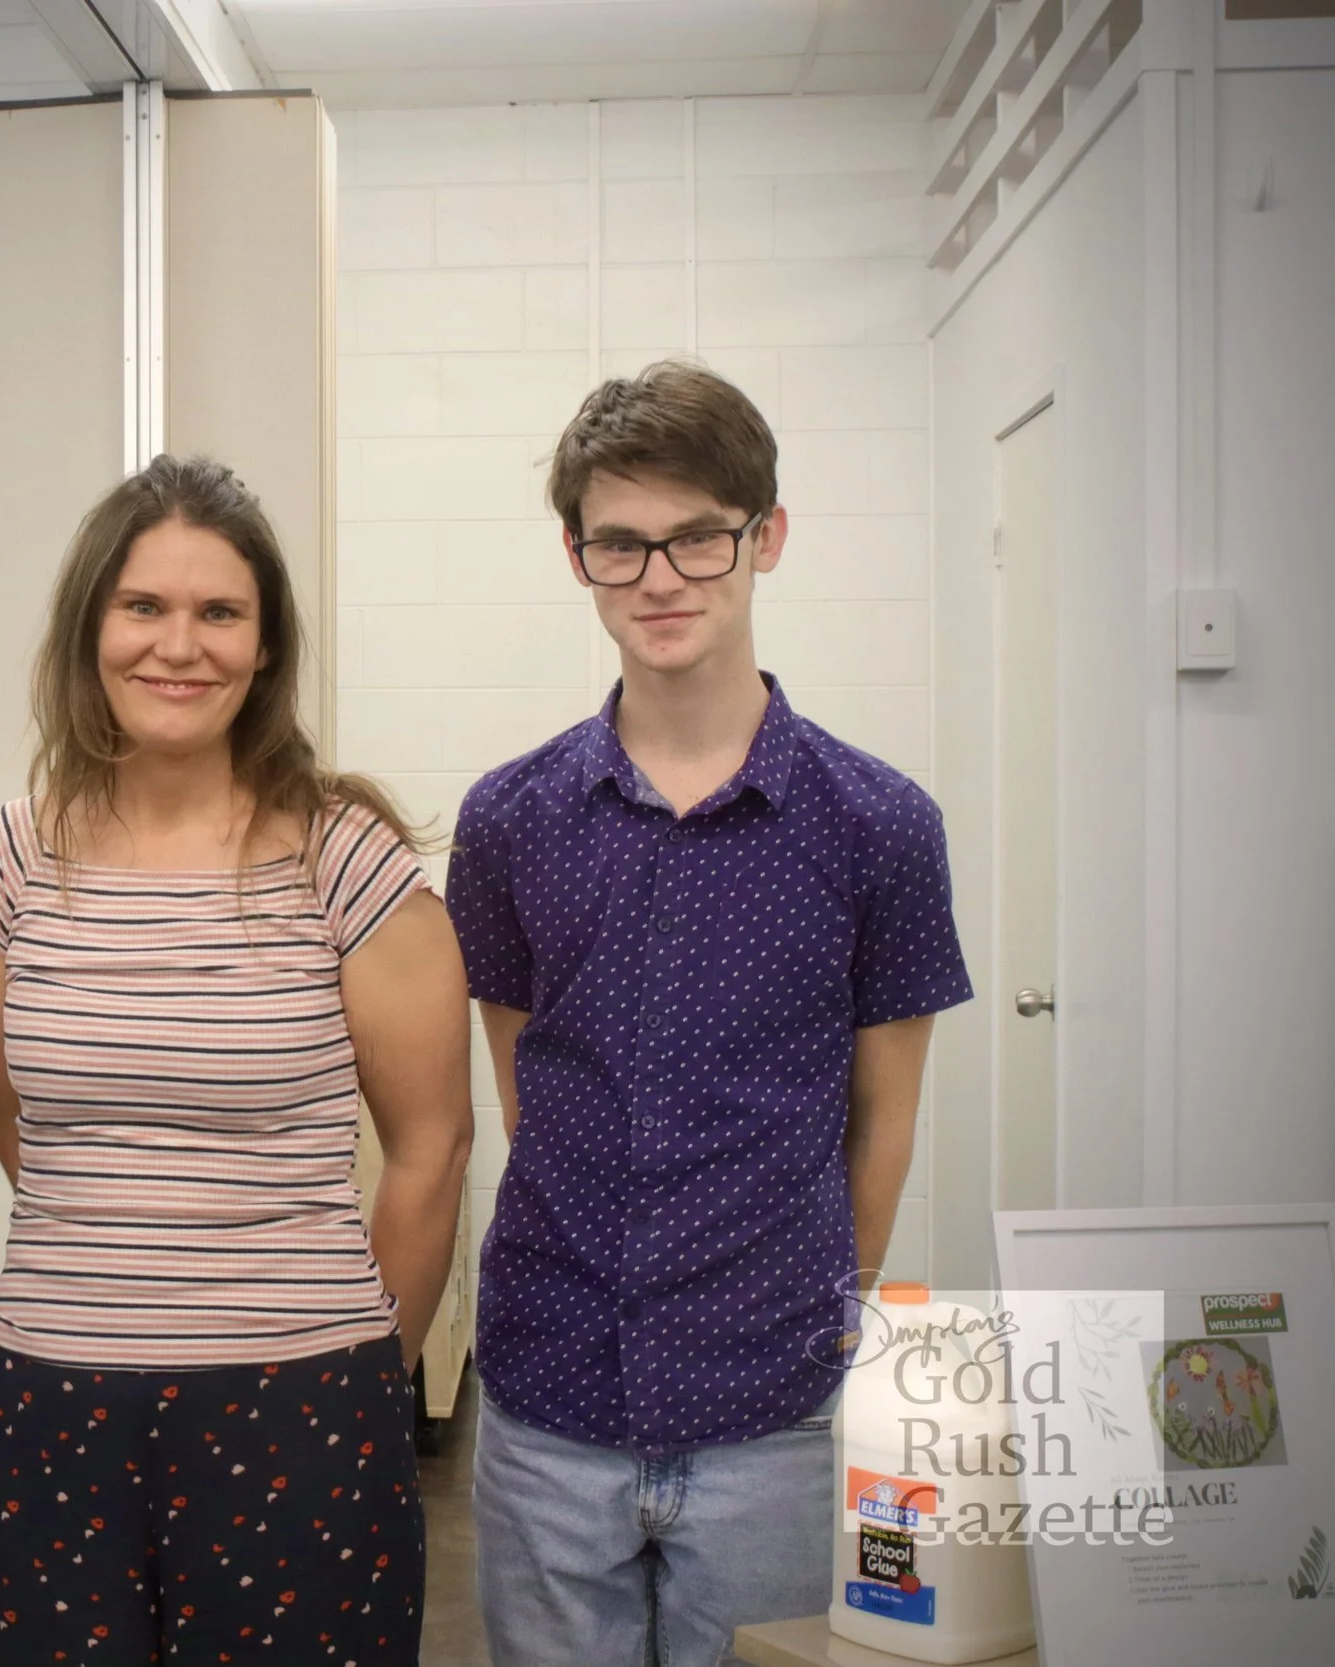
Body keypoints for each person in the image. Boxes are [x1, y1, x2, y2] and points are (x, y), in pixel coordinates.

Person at [448, 361, 973, 1667]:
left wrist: (812, 1307)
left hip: (770, 1409)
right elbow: (529, 1090)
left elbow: (885, 1119)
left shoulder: (881, 825)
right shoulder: (509, 819)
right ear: (577, 555)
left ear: (766, 537)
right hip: (549, 1394)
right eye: (620, 542)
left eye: (698, 534)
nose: (661, 574)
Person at [0, 455, 474, 1662]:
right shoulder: (5, 865)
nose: (178, 645)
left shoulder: (348, 864)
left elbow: (432, 1150)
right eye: (144, 606)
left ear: (266, 647)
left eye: (219, 612)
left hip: (297, 1405)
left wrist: (354, 1372)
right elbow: (17, 1120)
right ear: (90, 629)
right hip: (49, 1406)